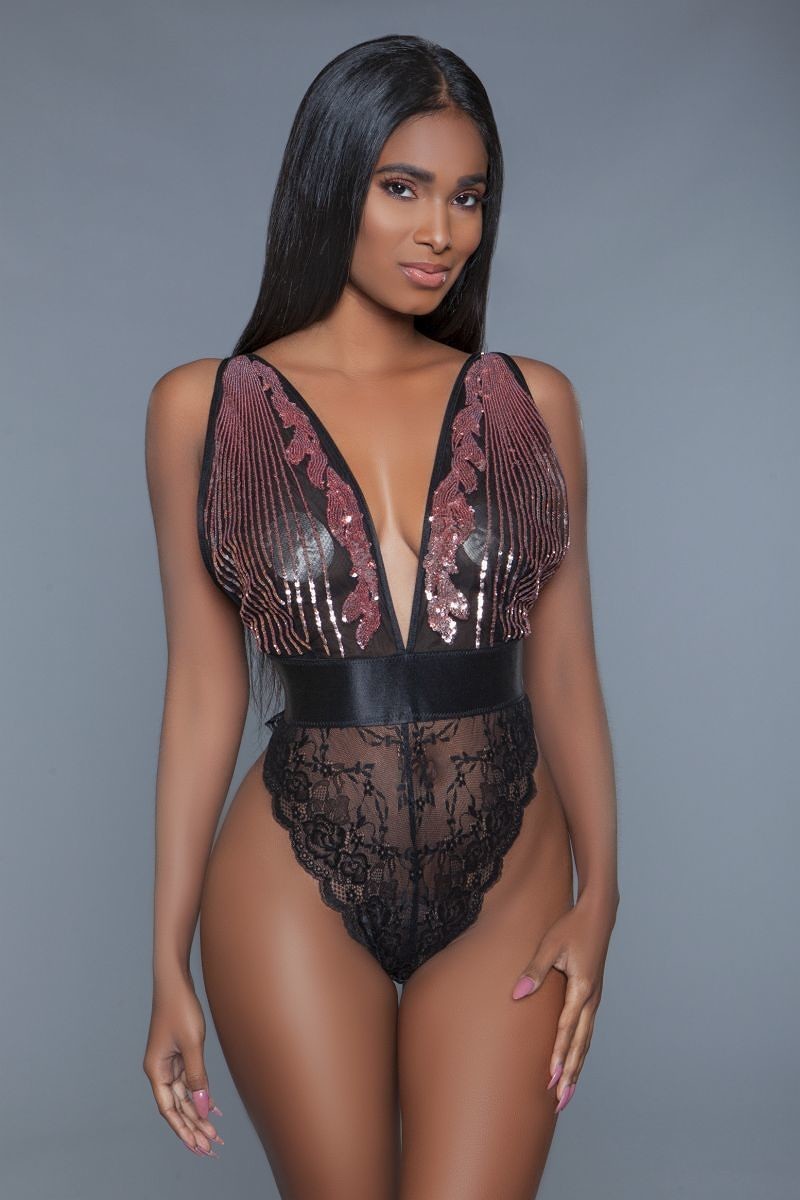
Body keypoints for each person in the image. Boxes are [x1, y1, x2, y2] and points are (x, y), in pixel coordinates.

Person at [142, 33, 619, 1199]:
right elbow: (203, 688)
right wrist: (163, 959)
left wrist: (603, 893)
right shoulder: (201, 407)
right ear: (330, 184)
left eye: (467, 196)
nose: (440, 231)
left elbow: (562, 669)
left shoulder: (534, 402)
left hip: (511, 867)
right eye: (401, 188)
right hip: (289, 876)